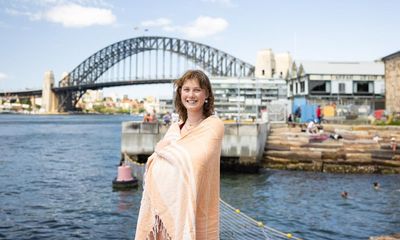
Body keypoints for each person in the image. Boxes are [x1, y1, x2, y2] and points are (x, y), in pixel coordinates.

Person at [135, 70, 224, 240]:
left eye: (197, 90)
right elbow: (158, 163)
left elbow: (195, 160)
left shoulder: (213, 125)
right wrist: (164, 153)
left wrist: (162, 150)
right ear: (180, 93)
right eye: (186, 89)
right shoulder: (175, 128)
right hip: (164, 218)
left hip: (197, 209)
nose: (191, 95)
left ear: (206, 94)